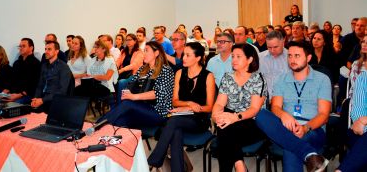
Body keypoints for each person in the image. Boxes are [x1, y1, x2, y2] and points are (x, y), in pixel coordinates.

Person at [255, 41, 331, 172]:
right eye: (289, 56)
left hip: (313, 128)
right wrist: (284, 115)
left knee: (291, 146)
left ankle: (309, 154)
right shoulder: (281, 79)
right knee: (261, 114)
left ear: (308, 58)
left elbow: (324, 115)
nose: (292, 60)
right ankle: (311, 155)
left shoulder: (322, 79)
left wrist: (305, 128)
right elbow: (275, 107)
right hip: (286, 126)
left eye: (297, 56)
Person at [148, 42, 215, 171]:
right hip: (180, 117)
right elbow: (175, 101)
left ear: (198, 58)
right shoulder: (179, 73)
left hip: (199, 120)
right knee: (176, 131)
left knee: (173, 122)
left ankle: (155, 159)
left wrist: (191, 108)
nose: (183, 58)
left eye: (188, 55)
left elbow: (209, 107)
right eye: (184, 54)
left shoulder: (208, 76)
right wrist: (189, 104)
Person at [212, 43, 267, 172]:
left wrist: (234, 117)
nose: (234, 60)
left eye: (238, 56)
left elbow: (254, 109)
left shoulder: (258, 79)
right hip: (229, 120)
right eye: (233, 56)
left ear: (250, 59)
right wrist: (216, 116)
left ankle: (238, 165)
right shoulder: (227, 77)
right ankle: (239, 164)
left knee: (225, 133)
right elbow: (220, 103)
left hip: (252, 122)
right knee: (224, 126)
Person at [99, 41, 174, 129]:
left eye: (146, 50)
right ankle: (97, 133)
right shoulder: (143, 69)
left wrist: (133, 97)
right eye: (144, 51)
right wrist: (127, 93)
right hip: (139, 108)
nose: (144, 54)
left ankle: (95, 127)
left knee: (127, 104)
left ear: (156, 53)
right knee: (119, 121)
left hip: (158, 112)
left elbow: (158, 93)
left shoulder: (166, 70)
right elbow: (130, 85)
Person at [336, 64, 367, 172]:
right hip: (362, 132)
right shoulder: (363, 78)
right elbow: (357, 112)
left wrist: (365, 120)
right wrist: (363, 121)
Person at [0, 38, 41, 104]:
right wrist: (6, 90)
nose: (21, 48)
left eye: (23, 46)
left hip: (26, 95)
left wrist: (18, 95)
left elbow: (34, 85)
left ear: (31, 48)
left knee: (12, 106)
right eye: (20, 46)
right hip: (12, 94)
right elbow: (11, 80)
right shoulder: (17, 63)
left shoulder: (36, 64)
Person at [31, 41, 73, 112]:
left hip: (54, 99)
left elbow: (62, 91)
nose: (46, 52)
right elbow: (40, 85)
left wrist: (42, 100)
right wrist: (35, 98)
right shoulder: (44, 65)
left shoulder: (63, 67)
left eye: (49, 49)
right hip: (43, 98)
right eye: (45, 49)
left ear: (57, 51)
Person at [259, 31, 289, 100]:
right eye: (269, 47)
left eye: (275, 47)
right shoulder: (260, 58)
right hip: (264, 101)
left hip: (285, 100)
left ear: (283, 42)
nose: (272, 50)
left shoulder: (291, 57)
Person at [115, 34, 144, 104]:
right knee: (110, 80)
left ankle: (119, 104)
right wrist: (114, 68)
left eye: (130, 40)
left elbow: (134, 65)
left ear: (135, 41)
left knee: (121, 82)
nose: (128, 42)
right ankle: (113, 102)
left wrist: (122, 70)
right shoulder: (123, 51)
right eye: (127, 40)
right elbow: (118, 62)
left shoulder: (139, 52)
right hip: (123, 73)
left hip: (134, 74)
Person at [348, 35, 367, 99]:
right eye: (363, 42)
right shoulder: (356, 64)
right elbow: (355, 85)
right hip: (358, 98)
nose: (364, 44)